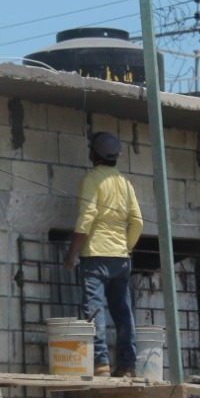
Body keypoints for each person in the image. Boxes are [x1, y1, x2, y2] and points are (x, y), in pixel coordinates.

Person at [63, 131, 144, 378]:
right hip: (121, 259)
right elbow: (138, 222)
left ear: (93, 154)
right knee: (123, 313)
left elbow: (86, 219)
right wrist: (126, 248)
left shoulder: (91, 180)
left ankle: (100, 365)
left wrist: (71, 253)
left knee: (94, 310)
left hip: (95, 256)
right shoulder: (125, 184)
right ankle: (128, 365)